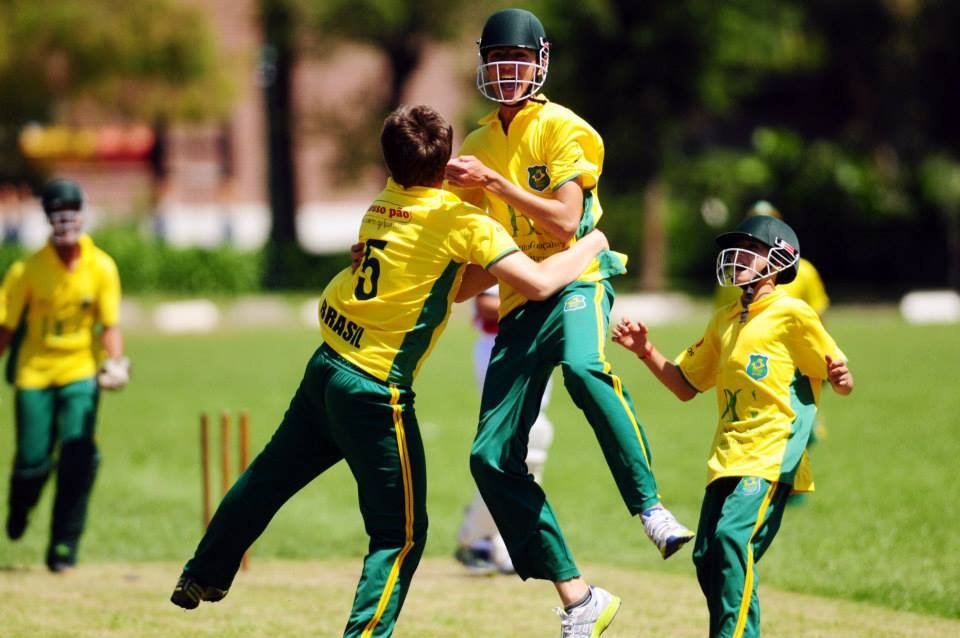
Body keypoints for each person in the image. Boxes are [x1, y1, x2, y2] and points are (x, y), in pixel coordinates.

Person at [169, 104, 610, 637]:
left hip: (327, 364)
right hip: (374, 391)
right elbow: (537, 283)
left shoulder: (382, 202)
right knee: (398, 536)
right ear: (448, 161)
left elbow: (445, 283)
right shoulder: (461, 222)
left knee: (267, 477)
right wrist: (592, 244)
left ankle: (202, 573)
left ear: (390, 160)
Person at [443, 8, 693, 635]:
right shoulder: (474, 144)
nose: (507, 74)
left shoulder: (565, 128)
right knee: (489, 457)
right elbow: (469, 251)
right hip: (522, 299)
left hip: (578, 279)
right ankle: (579, 598)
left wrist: (495, 181)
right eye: (497, 63)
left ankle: (650, 507)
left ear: (541, 61)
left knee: (585, 369)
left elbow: (562, 220)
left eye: (518, 62)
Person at [612, 215, 854, 637]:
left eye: (751, 249)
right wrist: (644, 350)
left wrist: (840, 379)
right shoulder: (723, 319)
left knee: (731, 541)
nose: (737, 256)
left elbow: (836, 373)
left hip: (772, 454)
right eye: (735, 248)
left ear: (780, 260)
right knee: (707, 556)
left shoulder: (792, 313)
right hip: (726, 457)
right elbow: (686, 385)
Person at [0, 178, 129, 572]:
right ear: (49, 220)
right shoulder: (28, 270)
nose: (67, 222)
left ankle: (63, 548)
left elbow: (109, 325)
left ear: (82, 216)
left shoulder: (102, 266)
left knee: (78, 457)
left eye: (72, 214)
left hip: (80, 372)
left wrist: (116, 362)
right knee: (33, 460)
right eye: (58, 215)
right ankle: (20, 505)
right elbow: (5, 328)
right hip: (34, 372)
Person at [454, 285, 554, 575]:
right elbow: (486, 304)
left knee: (530, 442)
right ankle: (476, 535)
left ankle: (499, 538)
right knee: (515, 444)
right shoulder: (499, 237)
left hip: (536, 342)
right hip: (500, 343)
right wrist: (540, 300)